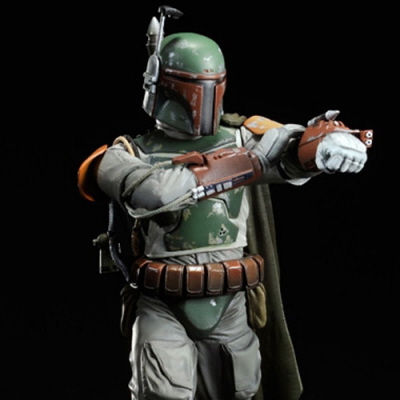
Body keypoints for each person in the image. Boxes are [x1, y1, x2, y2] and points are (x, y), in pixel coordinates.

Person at [78, 6, 372, 400]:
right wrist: (247, 163)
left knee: (241, 391)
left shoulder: (240, 136)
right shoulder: (124, 154)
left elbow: (288, 150)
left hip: (232, 301)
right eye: (194, 86)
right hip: (162, 305)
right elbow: (155, 193)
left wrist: (324, 144)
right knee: (163, 392)